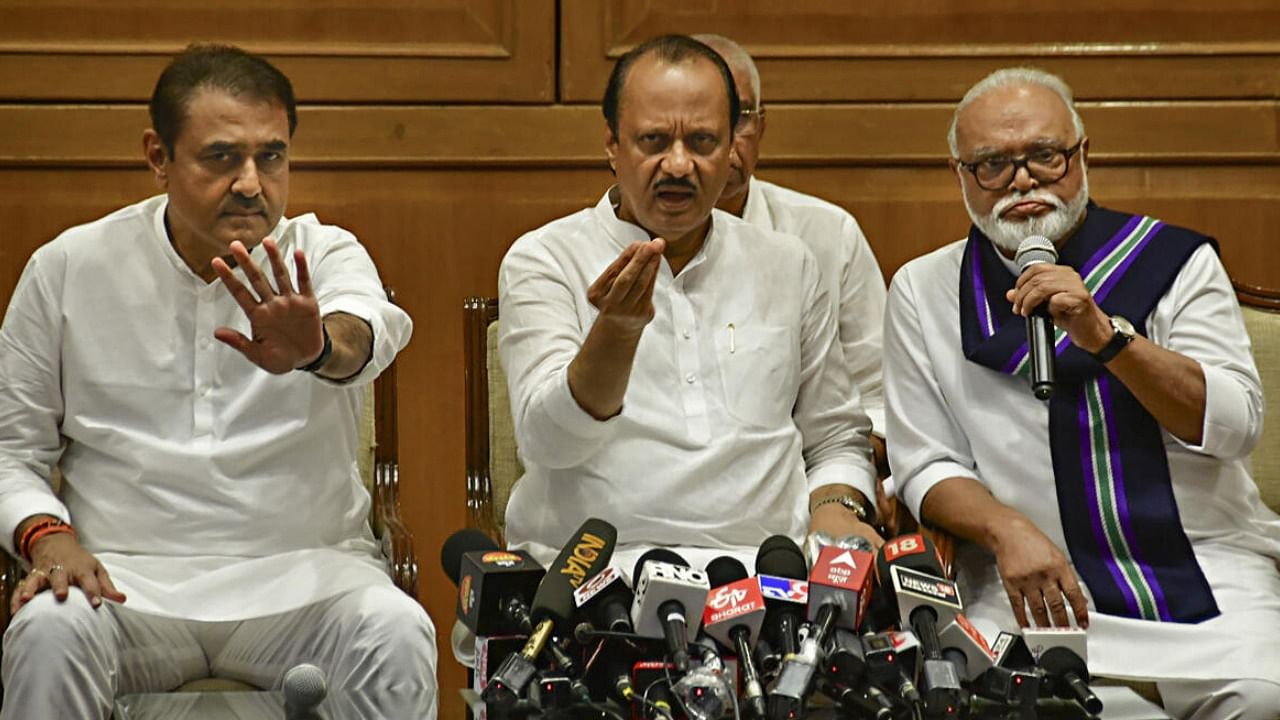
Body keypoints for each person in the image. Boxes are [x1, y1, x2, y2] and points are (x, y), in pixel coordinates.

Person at [0, 44, 437, 719]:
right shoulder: (67, 268)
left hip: (306, 579)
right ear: (158, 157)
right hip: (125, 583)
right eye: (222, 157)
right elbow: (10, 447)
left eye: (272, 156)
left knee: (397, 629)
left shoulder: (322, 253)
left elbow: (365, 334)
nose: (252, 183)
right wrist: (44, 535)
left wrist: (317, 347)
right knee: (46, 629)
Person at [883, 66, 1280, 718]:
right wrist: (1006, 531)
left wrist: (1106, 336)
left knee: (1262, 698)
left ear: (1082, 156)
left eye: (1044, 155)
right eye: (992, 164)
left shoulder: (1174, 262)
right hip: (1031, 573)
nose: (1023, 181)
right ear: (960, 174)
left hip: (1204, 561)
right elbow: (925, 463)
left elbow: (1236, 427)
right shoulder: (922, 290)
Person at [498, 34, 880, 575]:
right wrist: (617, 331)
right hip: (596, 576)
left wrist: (835, 507)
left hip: (768, 575)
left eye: (702, 142)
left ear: (732, 148)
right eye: (654, 141)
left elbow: (836, 435)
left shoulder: (788, 262)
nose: (678, 165)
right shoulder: (544, 258)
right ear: (611, 145)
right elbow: (548, 442)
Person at [692, 34, 889, 477]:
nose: (718, 143)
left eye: (736, 116)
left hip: (809, 487)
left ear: (761, 125)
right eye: (697, 125)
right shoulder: (591, 255)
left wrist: (844, 479)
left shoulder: (827, 235)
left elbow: (879, 398)